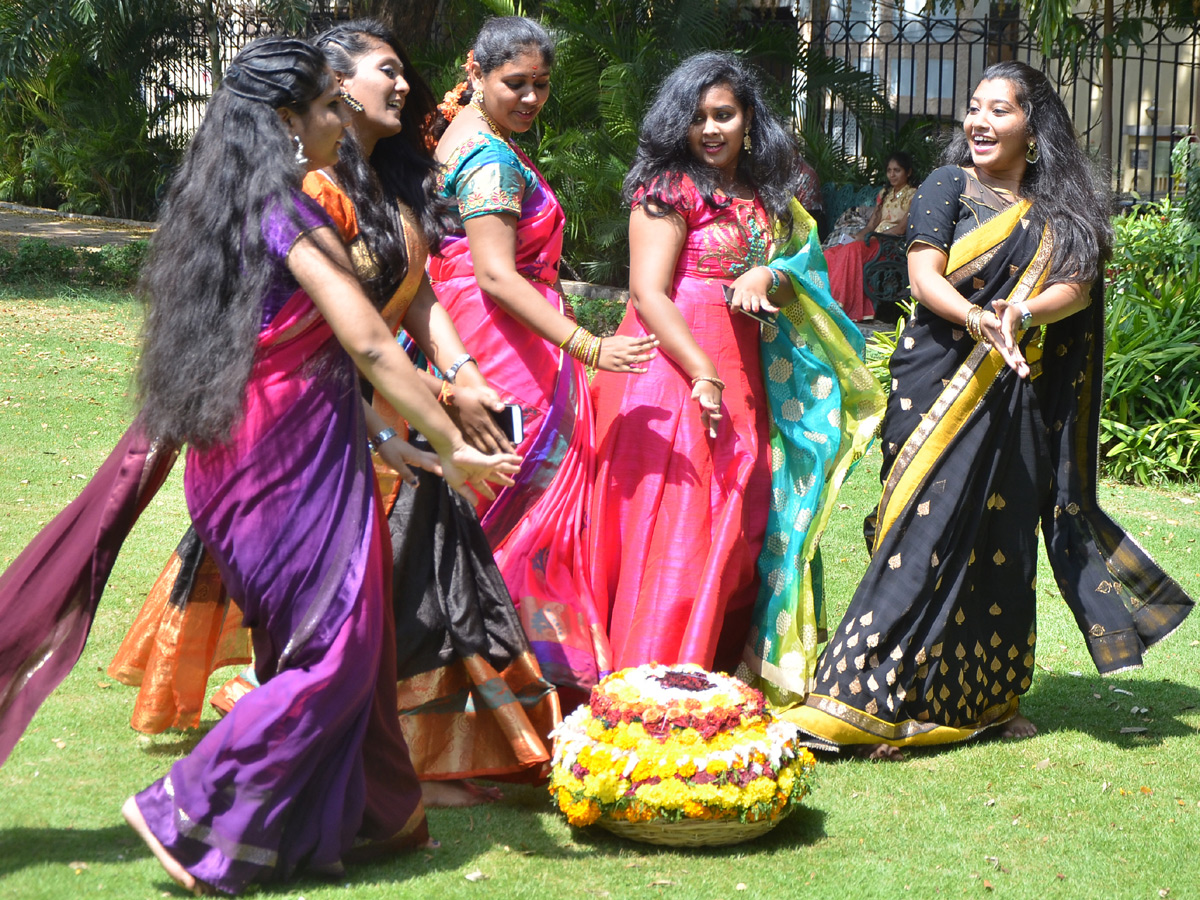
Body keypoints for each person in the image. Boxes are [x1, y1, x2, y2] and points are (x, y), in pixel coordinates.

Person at [0, 38, 521, 894]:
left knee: (340, 638)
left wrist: (386, 440)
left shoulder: (228, 207)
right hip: (284, 463)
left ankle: (377, 815)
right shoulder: (289, 210)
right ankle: (191, 805)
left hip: (259, 455)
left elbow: (290, 358)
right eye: (324, 108)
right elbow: (362, 341)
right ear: (287, 123)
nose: (336, 122)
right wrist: (453, 439)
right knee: (339, 651)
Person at [108, 18, 560, 808]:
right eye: (382, 71)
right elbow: (349, 341)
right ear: (332, 94)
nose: (401, 84)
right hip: (312, 429)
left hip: (369, 416)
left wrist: (456, 376)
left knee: (391, 606)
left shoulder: (388, 175)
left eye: (401, 70)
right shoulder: (306, 198)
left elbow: (412, 290)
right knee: (350, 622)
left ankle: (378, 783)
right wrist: (433, 432)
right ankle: (236, 774)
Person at [784, 61, 1194, 758]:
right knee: (923, 535)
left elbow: (1079, 288)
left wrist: (1023, 310)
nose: (978, 121)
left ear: (1033, 129)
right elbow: (922, 274)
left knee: (1001, 546)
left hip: (1018, 388)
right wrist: (980, 320)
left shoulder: (1060, 207)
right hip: (940, 378)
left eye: (998, 110)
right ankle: (863, 694)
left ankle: (986, 697)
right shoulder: (949, 186)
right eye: (974, 107)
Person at [588, 52, 884, 678]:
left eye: (724, 114)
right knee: (680, 520)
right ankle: (650, 675)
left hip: (746, 367)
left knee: (741, 514)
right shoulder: (668, 190)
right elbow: (647, 293)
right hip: (671, 368)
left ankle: (716, 666)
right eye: (696, 118)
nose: (711, 129)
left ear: (750, 119)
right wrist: (701, 371)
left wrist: (769, 273)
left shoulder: (767, 197)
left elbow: (804, 275)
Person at [430, 16, 658, 708]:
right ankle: (509, 682)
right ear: (476, 73)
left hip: (477, 330)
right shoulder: (490, 157)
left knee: (482, 495)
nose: (531, 98)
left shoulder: (462, 136)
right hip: (501, 340)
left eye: (542, 85)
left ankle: (483, 673)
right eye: (515, 84)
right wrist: (589, 346)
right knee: (524, 488)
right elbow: (497, 275)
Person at [823, 152, 916, 322]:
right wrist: (857, 236)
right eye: (889, 171)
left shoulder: (914, 195)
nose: (892, 175)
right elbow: (871, 225)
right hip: (874, 240)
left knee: (852, 251)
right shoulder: (885, 193)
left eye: (897, 170)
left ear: (908, 172)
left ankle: (842, 305)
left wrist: (875, 237)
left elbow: (902, 228)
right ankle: (825, 301)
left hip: (891, 244)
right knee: (833, 251)